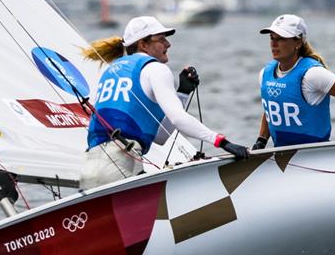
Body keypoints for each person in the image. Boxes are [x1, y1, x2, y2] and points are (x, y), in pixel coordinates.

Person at [80, 15, 248, 190]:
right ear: (143, 45)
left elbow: (160, 137)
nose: (168, 44)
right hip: (120, 166)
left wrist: (182, 94)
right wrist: (223, 143)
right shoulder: (155, 69)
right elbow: (178, 119)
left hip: (89, 168)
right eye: (161, 39)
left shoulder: (111, 71)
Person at [252, 14, 335, 150]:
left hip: (315, 154)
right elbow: (272, 109)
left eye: (281, 38)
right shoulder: (264, 74)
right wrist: (261, 141)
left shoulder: (312, 74)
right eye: (272, 38)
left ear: (298, 43)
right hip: (283, 154)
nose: (274, 44)